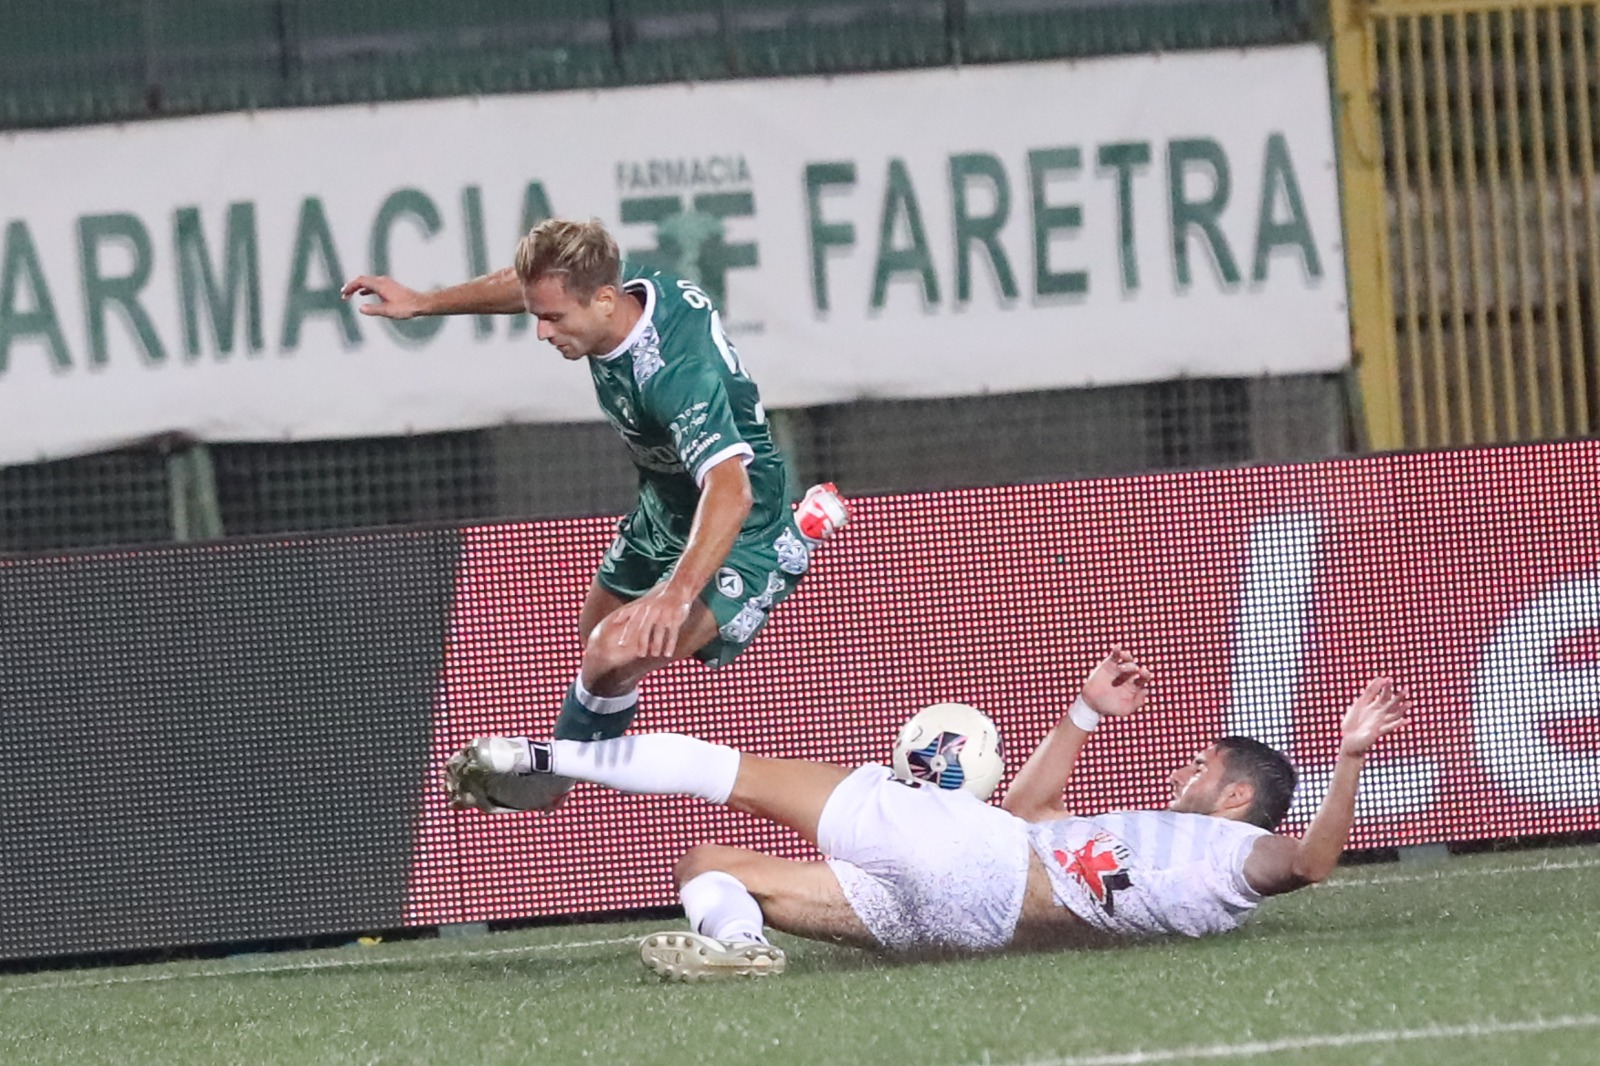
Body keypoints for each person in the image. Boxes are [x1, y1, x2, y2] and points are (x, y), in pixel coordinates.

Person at [445, 646, 1410, 980]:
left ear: (1237, 796)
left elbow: (1309, 862)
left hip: (979, 870)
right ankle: (738, 946)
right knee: (710, 864)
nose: (1184, 769)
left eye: (1202, 765)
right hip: (963, 924)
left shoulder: (1234, 852)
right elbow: (1027, 812)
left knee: (737, 774)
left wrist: (1350, 760)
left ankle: (534, 758)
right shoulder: (1167, 855)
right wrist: (1081, 716)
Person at [344, 219, 850, 811]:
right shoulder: (614, 289)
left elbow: (729, 490)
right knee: (598, 650)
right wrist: (424, 303)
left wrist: (677, 594)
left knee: (614, 650)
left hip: (741, 523)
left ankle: (793, 541)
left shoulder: (674, 374)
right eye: (539, 314)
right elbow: (527, 287)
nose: (541, 330)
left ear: (604, 301)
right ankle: (565, 767)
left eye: (554, 319)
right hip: (665, 506)